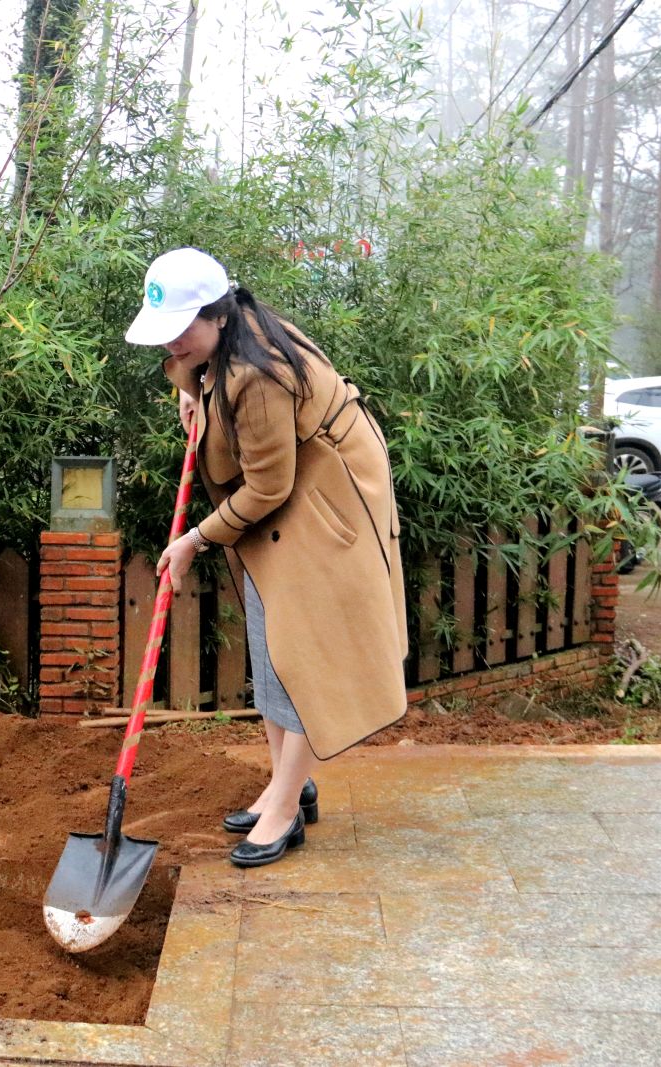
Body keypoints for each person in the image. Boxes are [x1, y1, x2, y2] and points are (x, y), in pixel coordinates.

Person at [134, 247, 407, 869]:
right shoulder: (226, 341)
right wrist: (194, 392)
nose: (170, 344)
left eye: (179, 330)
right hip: (289, 503)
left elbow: (266, 488)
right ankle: (286, 784)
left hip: (325, 505)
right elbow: (211, 387)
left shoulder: (257, 374)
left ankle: (285, 808)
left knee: (302, 654)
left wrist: (194, 540)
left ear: (216, 314)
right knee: (268, 641)